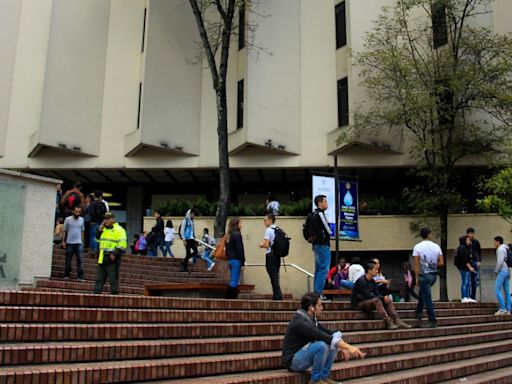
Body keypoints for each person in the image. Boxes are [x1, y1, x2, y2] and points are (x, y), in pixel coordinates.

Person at [282, 292, 366, 384]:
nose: (322, 308)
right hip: (293, 362)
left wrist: (342, 346)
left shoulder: (310, 318)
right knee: (321, 346)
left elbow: (330, 333)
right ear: (312, 308)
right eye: (320, 305)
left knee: (330, 344)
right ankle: (316, 380)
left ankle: (324, 377)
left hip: (302, 355)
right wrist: (349, 347)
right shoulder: (300, 322)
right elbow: (321, 335)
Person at [351, 261, 412, 330]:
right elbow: (367, 295)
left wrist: (384, 298)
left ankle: (397, 320)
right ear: (369, 271)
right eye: (375, 269)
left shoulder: (372, 281)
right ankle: (387, 321)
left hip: (370, 301)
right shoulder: (361, 281)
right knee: (377, 300)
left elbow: (377, 293)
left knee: (387, 300)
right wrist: (382, 298)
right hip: (359, 303)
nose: (377, 271)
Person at [413, 228, 444, 328]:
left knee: (427, 297)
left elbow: (416, 264)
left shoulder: (418, 247)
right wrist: (433, 264)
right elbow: (441, 262)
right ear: (429, 235)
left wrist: (416, 276)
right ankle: (418, 311)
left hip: (424, 274)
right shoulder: (436, 246)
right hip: (433, 275)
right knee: (423, 293)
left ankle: (432, 320)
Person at [93, 212, 127, 295]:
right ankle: (95, 297)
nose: (106, 220)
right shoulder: (103, 228)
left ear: (113, 219)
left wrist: (115, 254)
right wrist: (99, 231)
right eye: (105, 219)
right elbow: (97, 240)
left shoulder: (120, 230)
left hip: (112, 258)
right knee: (99, 279)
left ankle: (114, 299)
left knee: (113, 280)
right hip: (102, 257)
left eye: (108, 219)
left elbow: (123, 244)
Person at [310, 195, 333, 301]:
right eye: (325, 201)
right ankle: (318, 294)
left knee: (319, 270)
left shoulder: (313, 214)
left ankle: (316, 294)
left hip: (316, 245)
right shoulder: (320, 214)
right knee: (324, 269)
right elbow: (328, 230)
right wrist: (332, 232)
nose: (327, 203)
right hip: (323, 244)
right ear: (320, 203)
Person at [259, 213, 283, 300]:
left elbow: (266, 244)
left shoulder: (268, 230)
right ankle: (277, 294)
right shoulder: (277, 229)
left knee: (273, 277)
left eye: (265, 220)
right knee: (276, 276)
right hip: (277, 256)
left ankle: (278, 295)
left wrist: (261, 245)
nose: (264, 222)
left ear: (270, 220)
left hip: (270, 256)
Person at [62, 206, 85, 281]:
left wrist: (82, 241)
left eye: (79, 212)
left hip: (79, 243)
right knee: (68, 259)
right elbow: (64, 231)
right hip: (69, 242)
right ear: (73, 211)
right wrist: (63, 241)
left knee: (80, 259)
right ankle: (67, 274)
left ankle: (80, 276)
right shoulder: (68, 219)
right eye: (76, 212)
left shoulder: (82, 220)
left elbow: (82, 231)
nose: (78, 213)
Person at [226, 217, 245, 299]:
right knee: (235, 279)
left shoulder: (229, 235)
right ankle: (231, 296)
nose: (241, 225)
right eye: (240, 223)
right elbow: (240, 249)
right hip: (236, 260)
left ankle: (230, 295)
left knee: (232, 278)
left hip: (230, 259)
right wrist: (243, 262)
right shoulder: (237, 234)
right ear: (236, 224)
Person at [455, 235, 477, 303]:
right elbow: (465, 259)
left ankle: (467, 296)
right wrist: (470, 267)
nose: (469, 241)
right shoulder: (462, 248)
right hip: (463, 267)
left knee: (468, 283)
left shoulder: (467, 248)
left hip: (466, 268)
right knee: (465, 282)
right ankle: (464, 296)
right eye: (468, 240)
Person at [493, 236, 511, 315]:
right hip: (507, 270)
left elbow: (500, 261)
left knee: (497, 289)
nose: (494, 243)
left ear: (498, 242)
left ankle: (502, 309)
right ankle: (508, 309)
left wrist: (496, 271)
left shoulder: (500, 249)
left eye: (494, 241)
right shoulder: (506, 248)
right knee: (507, 291)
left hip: (502, 271)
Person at [466, 228, 482, 301]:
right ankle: (467, 296)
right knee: (467, 281)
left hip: (475, 261)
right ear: (467, 234)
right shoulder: (465, 242)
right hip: (468, 262)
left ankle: (473, 297)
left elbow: (479, 251)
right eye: (470, 233)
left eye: (472, 233)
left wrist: (479, 261)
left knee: (474, 281)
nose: (471, 235)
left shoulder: (476, 242)